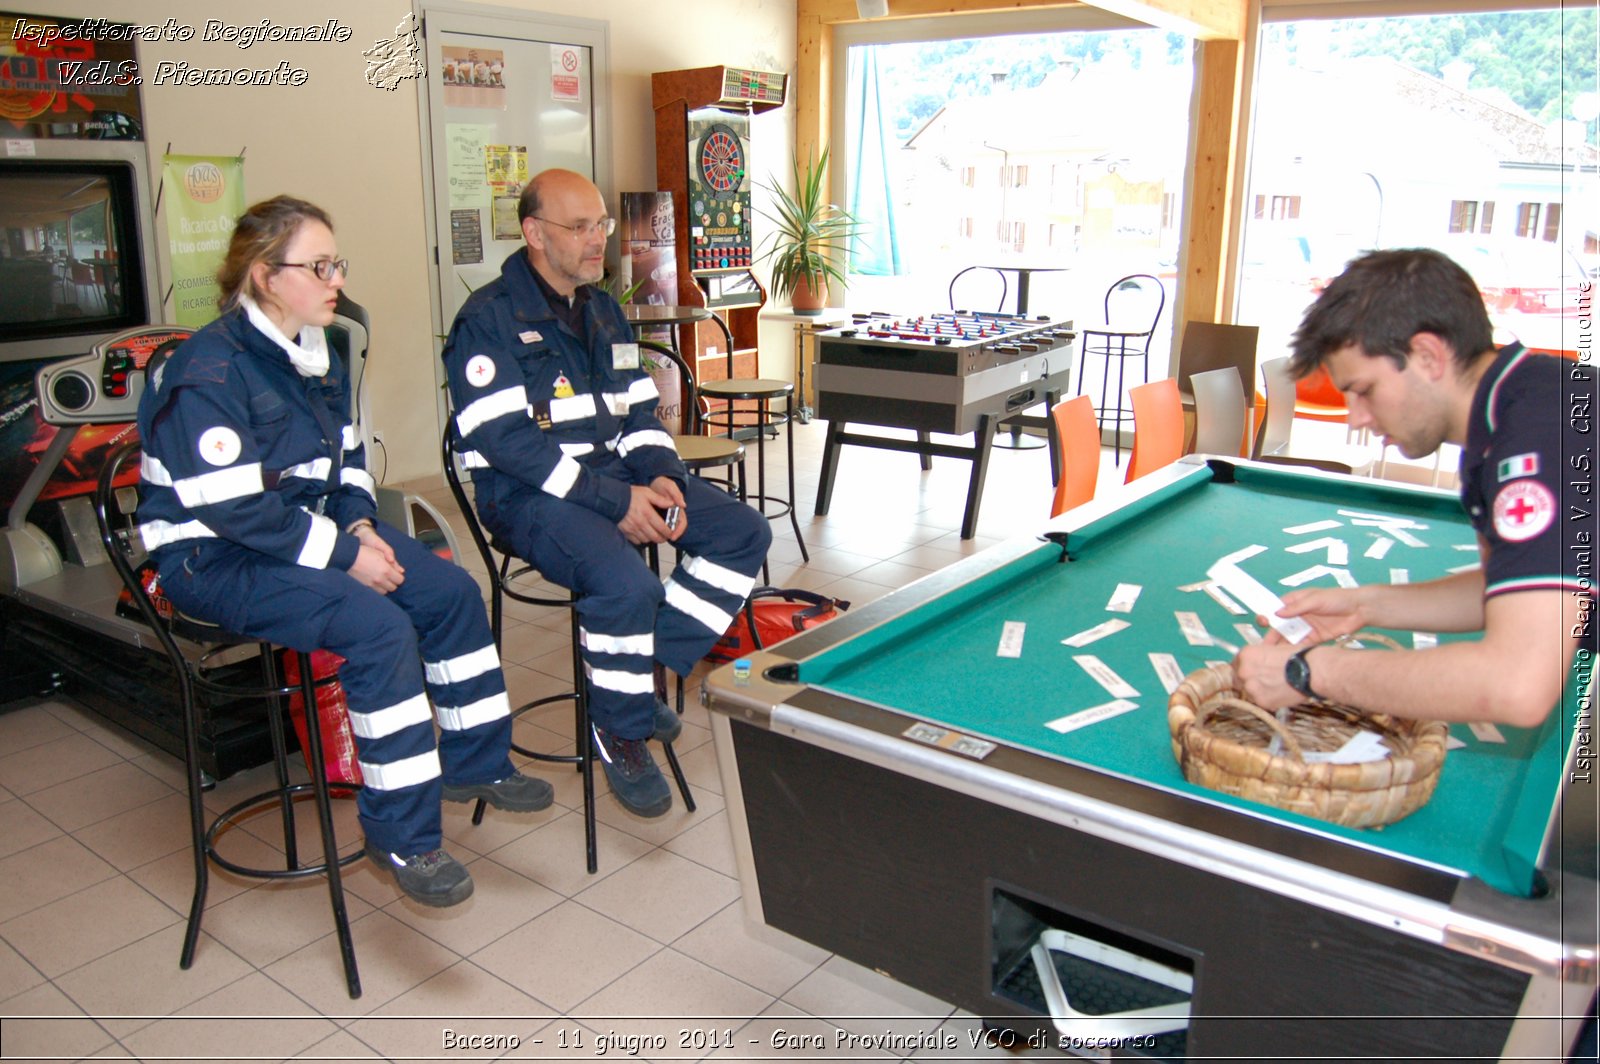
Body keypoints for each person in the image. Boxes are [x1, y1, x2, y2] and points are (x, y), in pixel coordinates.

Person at [136, 196, 550, 908]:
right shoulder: (209, 370)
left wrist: (358, 527)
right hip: (213, 557)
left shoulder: (319, 351)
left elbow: (350, 463)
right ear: (266, 276)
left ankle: (475, 761)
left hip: (306, 530)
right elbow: (232, 508)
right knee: (378, 629)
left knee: (450, 594)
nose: (337, 280)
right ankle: (402, 836)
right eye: (320, 266)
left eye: (338, 263)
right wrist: (344, 555)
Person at [441, 169, 771, 818]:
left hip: (608, 478)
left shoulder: (602, 309)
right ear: (534, 234)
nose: (598, 241)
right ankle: (617, 731)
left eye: (602, 225)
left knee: (743, 534)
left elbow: (640, 412)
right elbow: (510, 445)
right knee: (627, 586)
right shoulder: (487, 320)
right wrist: (617, 503)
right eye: (580, 227)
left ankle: (639, 671)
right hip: (527, 497)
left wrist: (662, 476)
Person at [1233, 247, 1593, 728]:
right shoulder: (1502, 420)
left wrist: (1308, 673)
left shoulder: (1543, 438)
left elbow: (1515, 686)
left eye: (1364, 390)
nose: (1357, 417)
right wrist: (1367, 605)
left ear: (1427, 355)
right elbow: (1511, 589)